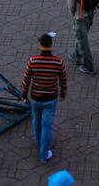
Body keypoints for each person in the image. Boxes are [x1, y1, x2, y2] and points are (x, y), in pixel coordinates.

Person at [20, 33, 68, 163]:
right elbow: (63, 81)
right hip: (50, 99)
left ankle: (38, 141)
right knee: (47, 125)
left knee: (36, 120)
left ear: (40, 45)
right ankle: (44, 154)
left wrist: (24, 95)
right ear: (51, 44)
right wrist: (62, 94)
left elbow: (26, 80)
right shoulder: (59, 63)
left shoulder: (32, 61)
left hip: (35, 97)